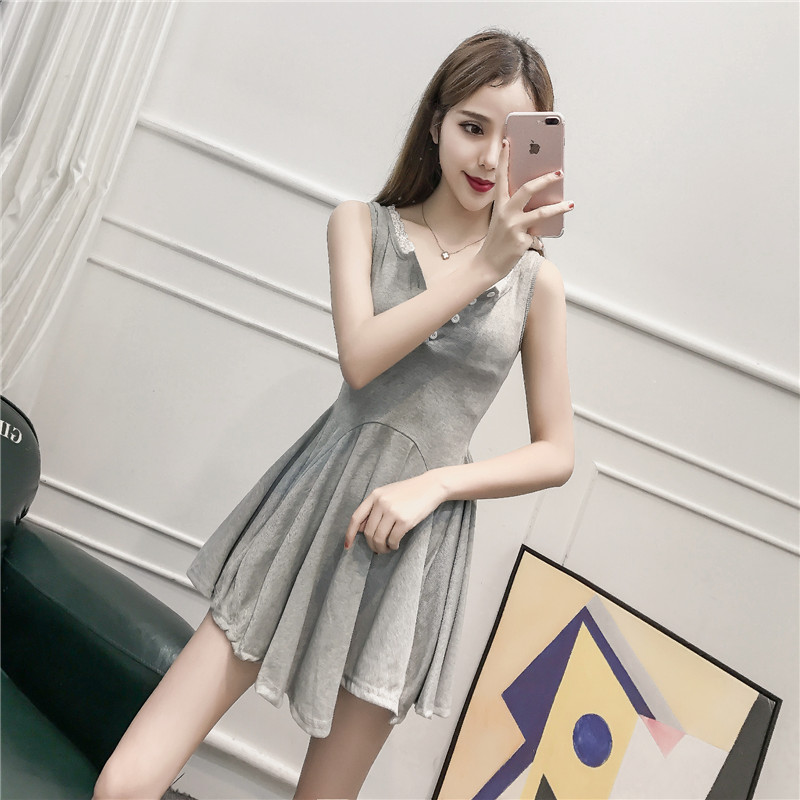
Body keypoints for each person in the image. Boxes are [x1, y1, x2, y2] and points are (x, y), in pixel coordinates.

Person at [93, 27, 574, 800]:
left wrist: (437, 484)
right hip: (310, 511)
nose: (488, 158)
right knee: (126, 782)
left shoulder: (537, 286)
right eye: (471, 126)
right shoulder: (359, 225)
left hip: (414, 546)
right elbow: (362, 356)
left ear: (536, 149)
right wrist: (485, 265)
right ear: (436, 123)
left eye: (511, 139)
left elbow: (558, 452)